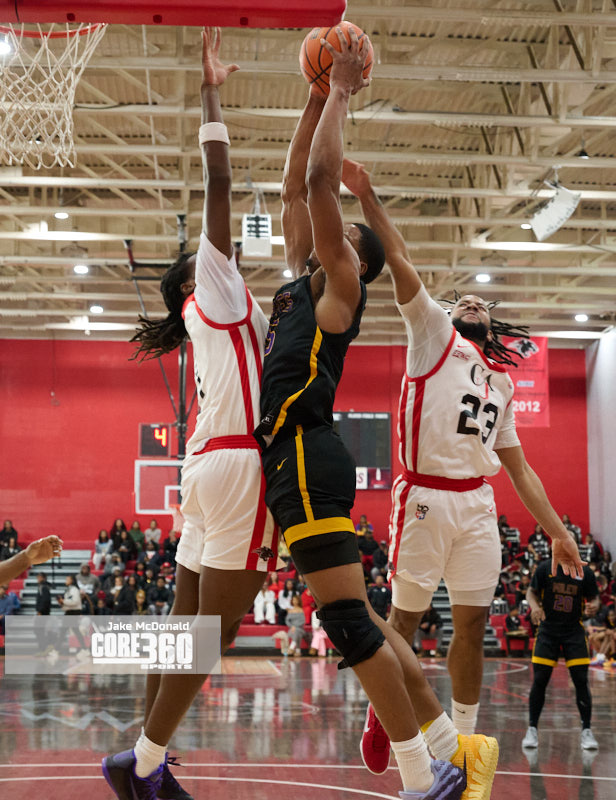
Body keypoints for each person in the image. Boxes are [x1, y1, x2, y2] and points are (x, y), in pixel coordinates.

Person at [254, 29, 475, 800]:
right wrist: (312, 96)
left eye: (343, 230)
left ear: (357, 256)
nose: (329, 228)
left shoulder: (342, 283)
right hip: (292, 457)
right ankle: (449, 750)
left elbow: (321, 180)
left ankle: (424, 774)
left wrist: (341, 91)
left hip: (306, 453)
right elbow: (294, 188)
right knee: (363, 622)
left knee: (349, 625)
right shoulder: (303, 279)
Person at [342, 157, 585, 775]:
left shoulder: (501, 382)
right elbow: (399, 258)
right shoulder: (432, 334)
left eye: (481, 301)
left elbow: (521, 471)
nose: (472, 300)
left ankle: (467, 748)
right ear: (449, 314)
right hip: (423, 496)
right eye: (462, 298)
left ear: (491, 324)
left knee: (472, 625)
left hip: (478, 502)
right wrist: (367, 194)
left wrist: (558, 532)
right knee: (403, 621)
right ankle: (385, 716)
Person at [102, 29, 277, 800]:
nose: (226, 244)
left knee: (181, 630)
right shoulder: (216, 284)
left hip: (204, 468)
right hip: (236, 467)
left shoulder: (212, 309)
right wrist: (209, 93)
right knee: (216, 631)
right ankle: (142, 761)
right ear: (195, 274)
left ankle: (147, 758)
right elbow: (219, 177)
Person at [522, 542, 600, 750]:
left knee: (581, 680)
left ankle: (586, 730)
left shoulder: (584, 572)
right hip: (548, 630)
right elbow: (531, 592)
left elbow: (595, 598)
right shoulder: (545, 568)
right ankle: (532, 728)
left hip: (574, 631)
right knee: (540, 679)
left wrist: (594, 606)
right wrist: (535, 607)